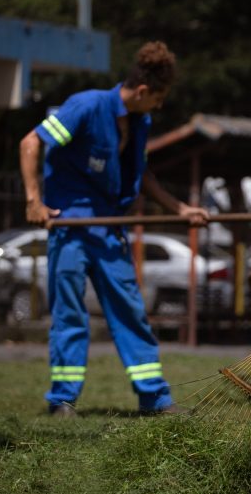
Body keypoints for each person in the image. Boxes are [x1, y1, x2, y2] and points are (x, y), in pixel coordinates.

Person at [19, 42, 208, 417]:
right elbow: (30, 143)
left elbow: (143, 174)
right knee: (70, 314)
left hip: (108, 229)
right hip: (71, 226)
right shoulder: (86, 106)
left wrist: (180, 209)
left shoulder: (141, 122)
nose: (159, 106)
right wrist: (33, 201)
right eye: (158, 98)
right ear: (142, 92)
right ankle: (62, 401)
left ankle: (154, 398)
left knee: (130, 310)